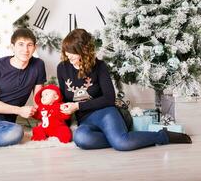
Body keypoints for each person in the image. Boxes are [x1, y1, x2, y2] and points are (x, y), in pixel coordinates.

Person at [57, 28, 192, 151]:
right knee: (81, 139)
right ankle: (118, 136)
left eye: (72, 51)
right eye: (66, 51)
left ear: (84, 50)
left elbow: (109, 99)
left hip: (106, 113)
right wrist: (65, 114)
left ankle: (163, 136)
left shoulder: (99, 66)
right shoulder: (62, 68)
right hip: (85, 119)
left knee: (122, 144)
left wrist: (78, 105)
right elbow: (63, 98)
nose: (68, 55)